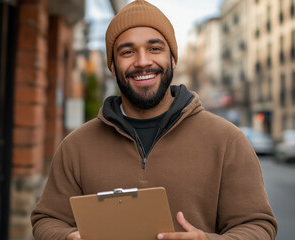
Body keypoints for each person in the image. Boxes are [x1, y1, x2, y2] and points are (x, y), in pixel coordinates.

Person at [31, 0, 278, 239]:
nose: (142, 61)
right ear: (113, 67)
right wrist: (67, 237)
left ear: (172, 59)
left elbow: (257, 225)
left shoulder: (227, 141)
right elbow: (47, 219)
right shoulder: (76, 146)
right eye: (127, 52)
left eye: (155, 48)